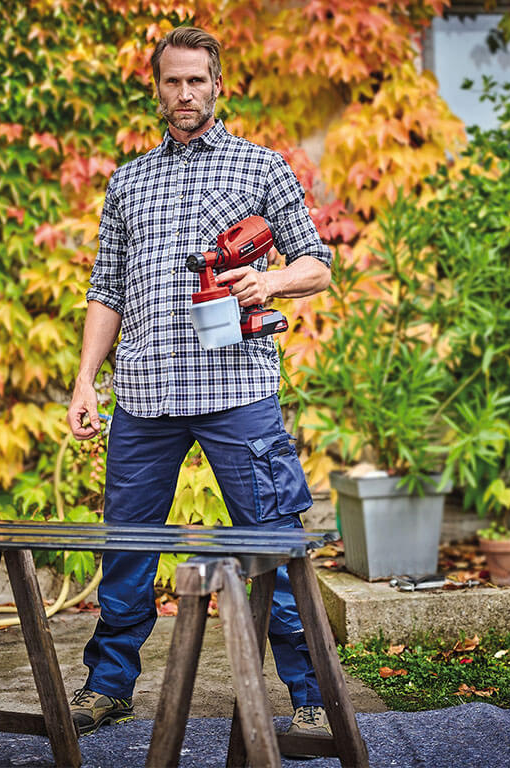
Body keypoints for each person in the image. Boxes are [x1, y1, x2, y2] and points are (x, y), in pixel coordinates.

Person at [66, 26, 334, 745]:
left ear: (218, 86)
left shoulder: (261, 167)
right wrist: (86, 381)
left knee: (274, 545)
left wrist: (268, 278)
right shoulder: (128, 181)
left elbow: (316, 265)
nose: (184, 94)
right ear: (155, 89)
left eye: (196, 81)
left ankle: (311, 696)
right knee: (125, 549)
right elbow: (105, 291)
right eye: (171, 81)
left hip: (238, 394)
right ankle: (108, 688)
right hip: (146, 397)